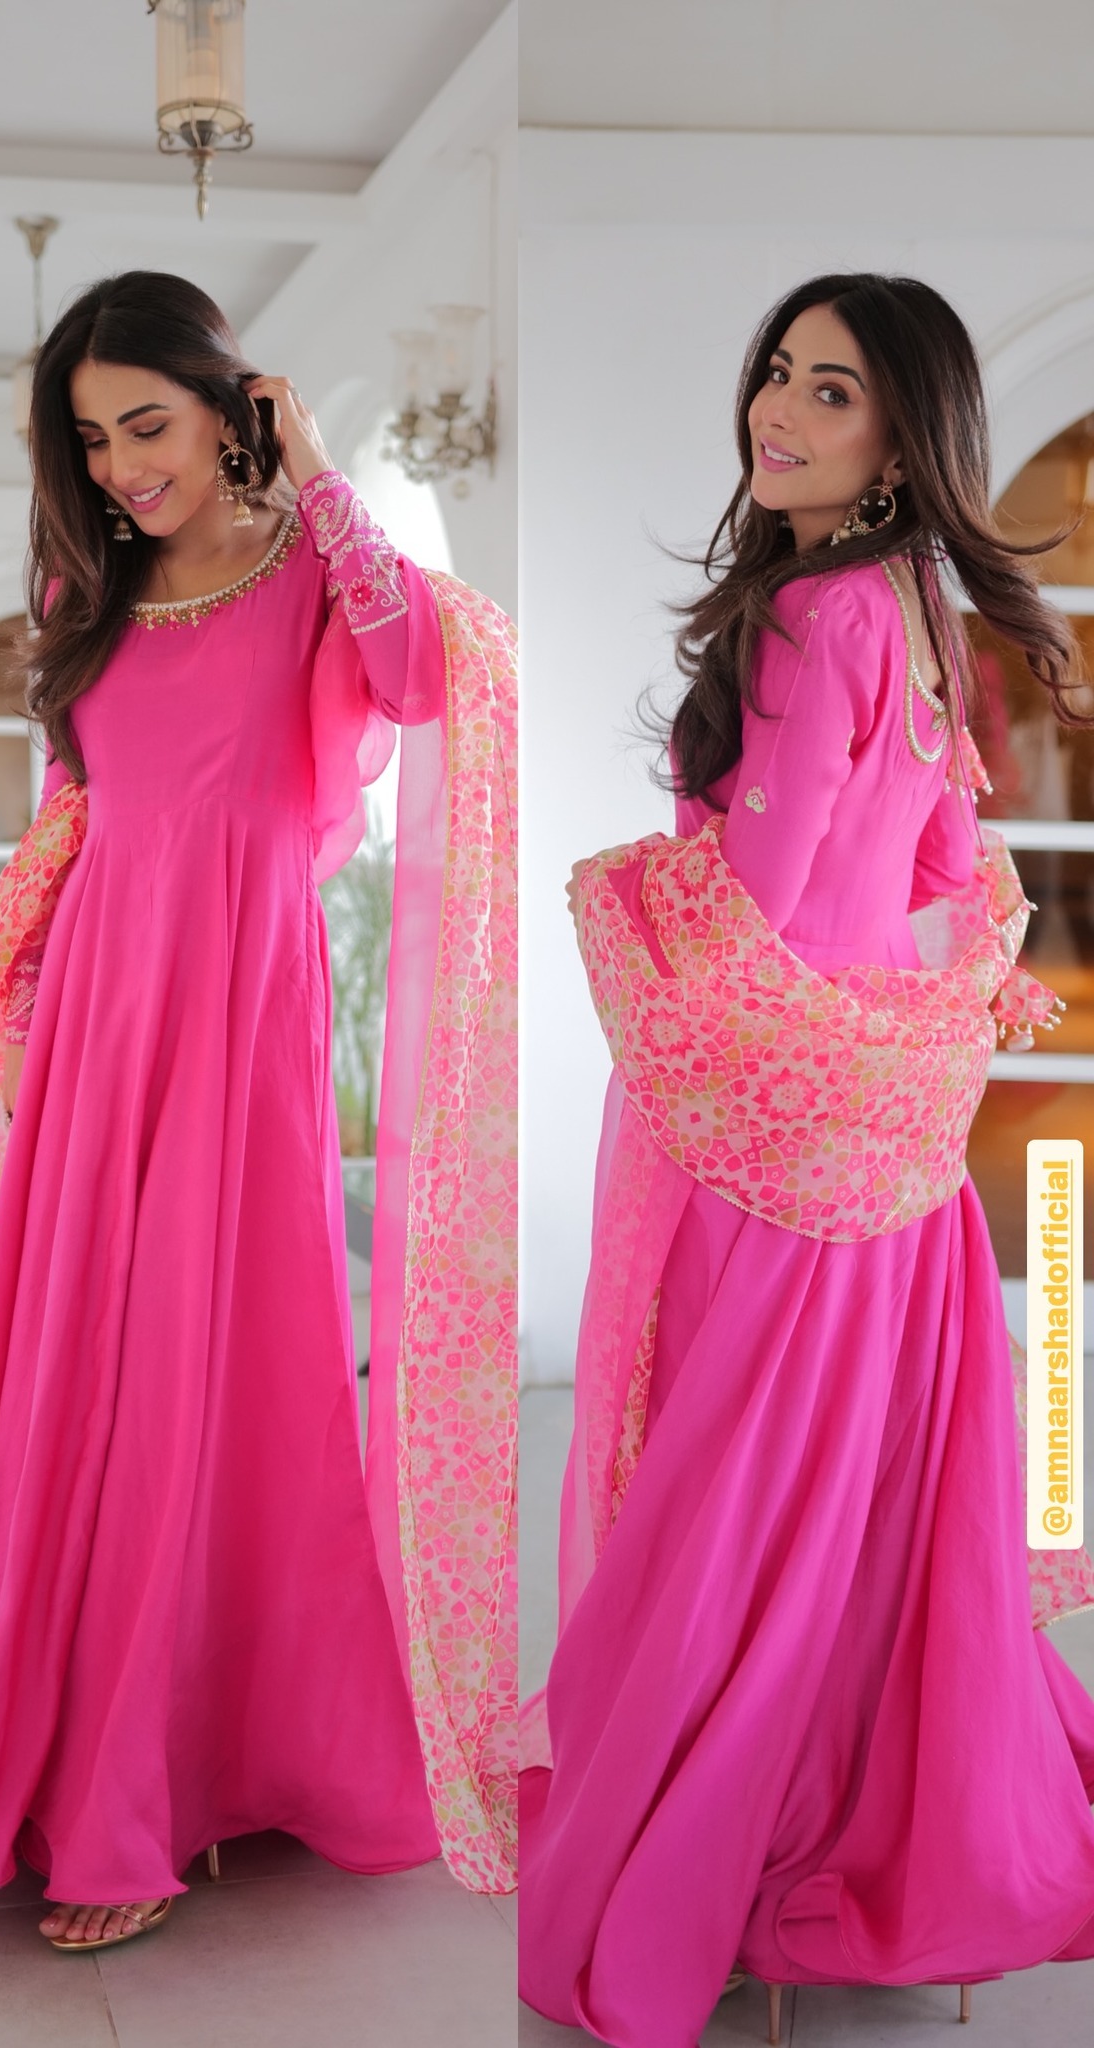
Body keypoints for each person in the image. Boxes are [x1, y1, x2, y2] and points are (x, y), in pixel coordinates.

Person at [518, 273, 1094, 2048]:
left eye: (832, 389)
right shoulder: (919, 609)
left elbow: (751, 904)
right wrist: (933, 1031)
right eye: (779, 371)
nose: (779, 408)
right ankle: (856, 1839)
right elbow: (945, 874)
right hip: (892, 1155)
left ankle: (718, 1858)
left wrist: (618, 886)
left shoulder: (812, 611)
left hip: (771, 1143)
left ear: (904, 436)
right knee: (850, 1519)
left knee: (730, 1510)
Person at [0, 272, 517, 1949]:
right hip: (98, 1008)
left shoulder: (311, 567)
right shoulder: (91, 581)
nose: (124, 467)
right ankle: (53, 1741)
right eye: (92, 438)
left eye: (151, 425)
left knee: (200, 1368)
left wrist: (319, 471)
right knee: (77, 1363)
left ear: (229, 406)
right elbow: (85, 805)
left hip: (242, 1005)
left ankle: (147, 1781)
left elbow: (420, 679)